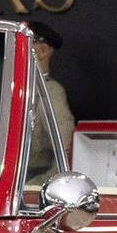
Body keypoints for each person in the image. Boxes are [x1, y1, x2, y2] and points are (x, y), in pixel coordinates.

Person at [29, 20, 76, 172]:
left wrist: (47, 183)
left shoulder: (49, 92)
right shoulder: (20, 89)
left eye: (26, 44)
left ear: (43, 50)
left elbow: (64, 145)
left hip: (33, 176)